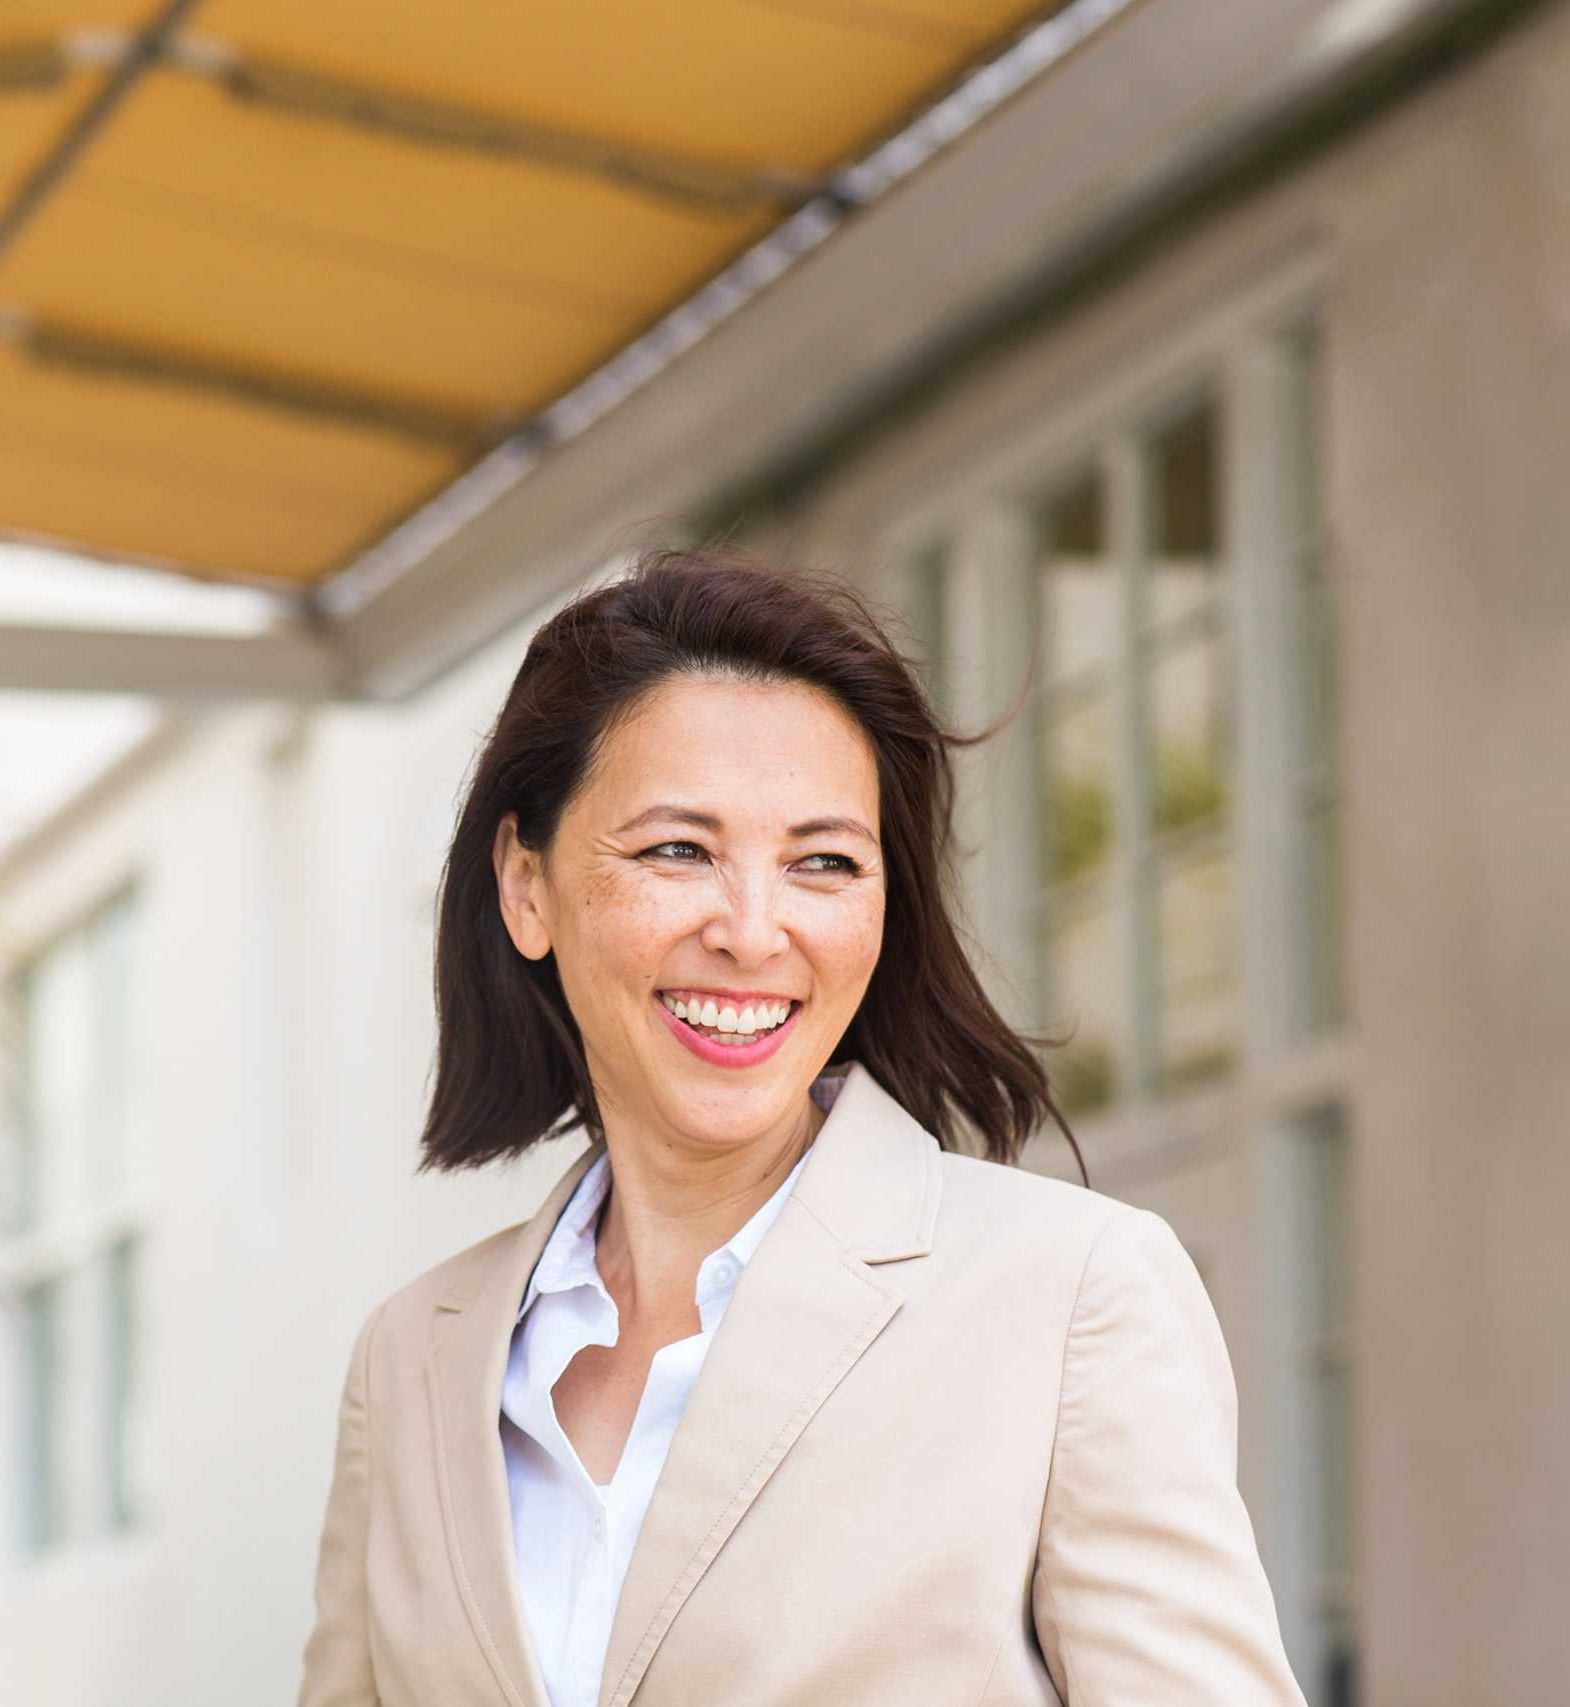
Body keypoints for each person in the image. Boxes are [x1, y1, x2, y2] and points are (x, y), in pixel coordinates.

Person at [296, 546, 1305, 1706]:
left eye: (823, 862)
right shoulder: (411, 1355)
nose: (753, 929)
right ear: (526, 888)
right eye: (678, 849)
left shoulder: (1073, 1296)